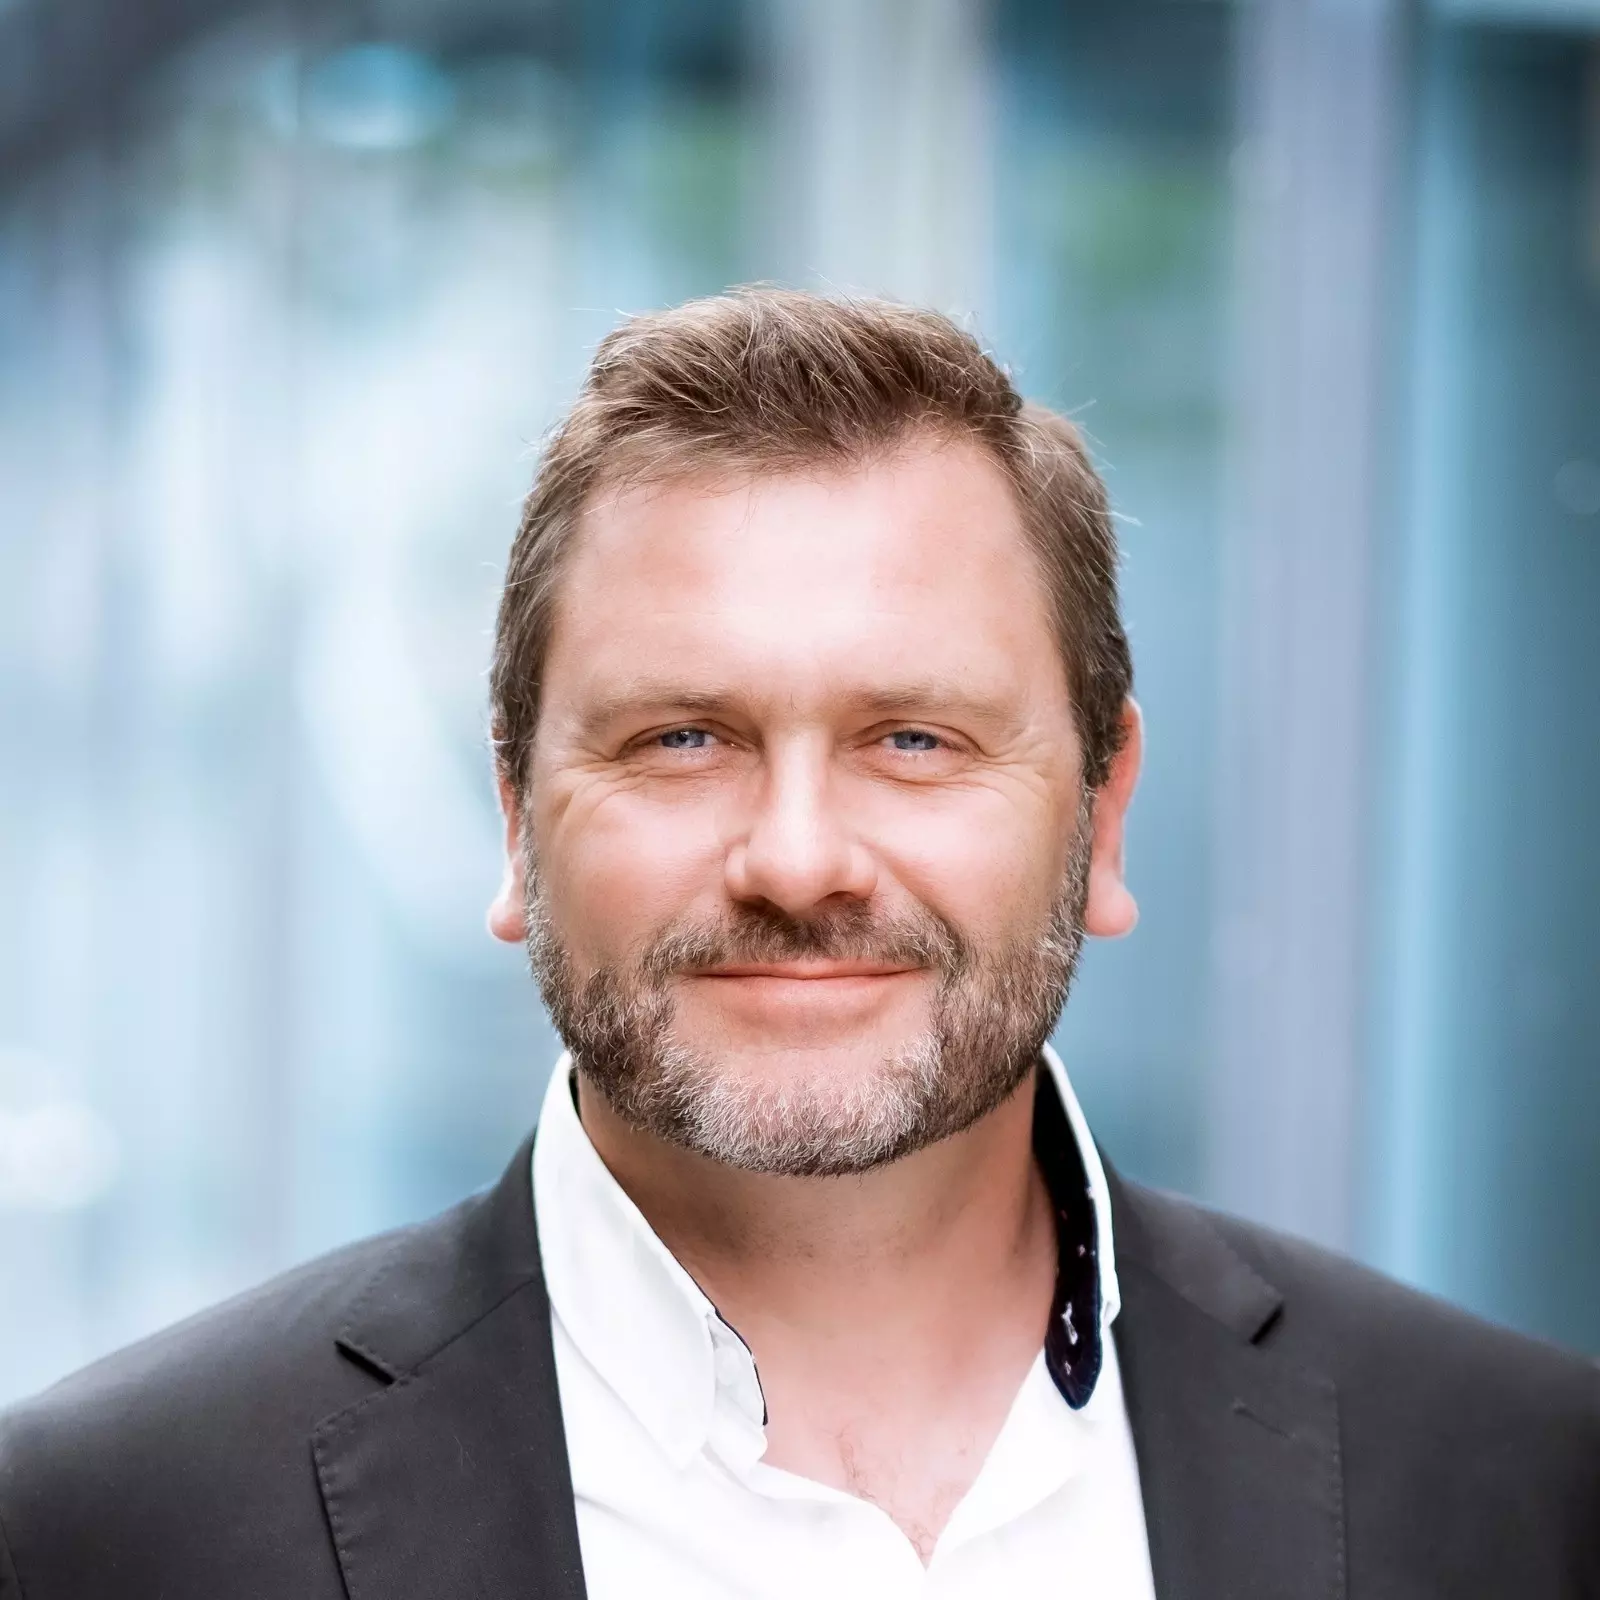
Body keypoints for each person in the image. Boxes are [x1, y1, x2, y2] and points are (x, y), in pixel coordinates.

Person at [1, 291, 1596, 1600]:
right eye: (683, 739)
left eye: (914, 740)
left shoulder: (1528, 1487)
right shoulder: (105, 1530)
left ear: (1104, 814)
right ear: (516, 821)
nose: (798, 860)